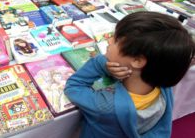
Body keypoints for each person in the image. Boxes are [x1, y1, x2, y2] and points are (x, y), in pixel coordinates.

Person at [64, 11, 195, 138]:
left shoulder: (105, 105)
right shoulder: (164, 87)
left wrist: (100, 63)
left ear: (137, 61)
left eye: (115, 40)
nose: (109, 40)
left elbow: (73, 87)